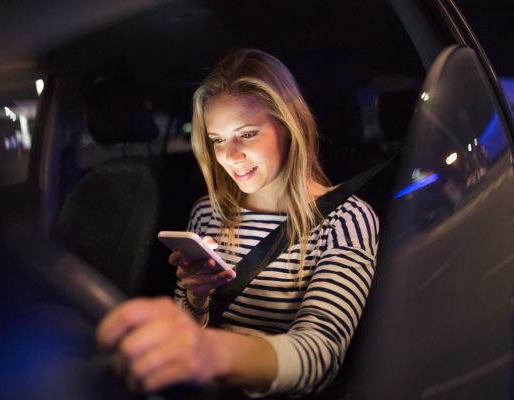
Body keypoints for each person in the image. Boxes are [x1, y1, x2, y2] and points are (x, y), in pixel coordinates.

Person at [96, 49, 378, 397]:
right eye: (217, 140)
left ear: (288, 126)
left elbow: (319, 357)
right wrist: (196, 298)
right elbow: (186, 336)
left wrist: (213, 353)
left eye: (246, 134)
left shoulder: (346, 220)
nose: (230, 156)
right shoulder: (208, 213)